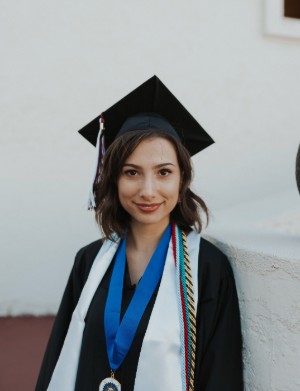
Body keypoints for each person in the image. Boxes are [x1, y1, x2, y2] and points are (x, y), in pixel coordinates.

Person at [36, 76, 243, 391]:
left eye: (163, 172)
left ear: (182, 179)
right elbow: (58, 362)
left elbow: (220, 377)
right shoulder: (89, 261)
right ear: (114, 180)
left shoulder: (208, 270)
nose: (149, 191)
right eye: (132, 172)